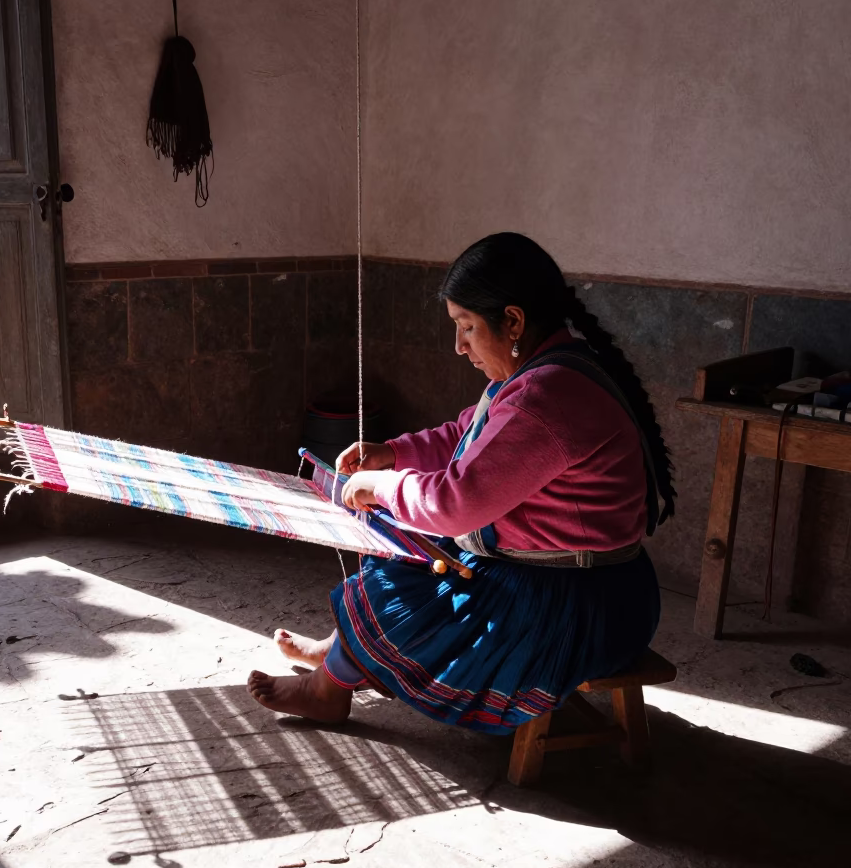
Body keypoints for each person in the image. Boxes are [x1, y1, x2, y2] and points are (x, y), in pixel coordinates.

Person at [248, 232, 674, 731]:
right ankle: (344, 652)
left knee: (400, 586)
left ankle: (328, 689)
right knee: (406, 545)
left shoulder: (545, 398)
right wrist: (393, 453)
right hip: (592, 586)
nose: (459, 346)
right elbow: (465, 436)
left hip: (576, 608)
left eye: (467, 327)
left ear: (512, 320)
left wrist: (381, 487)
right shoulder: (545, 372)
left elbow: (457, 504)